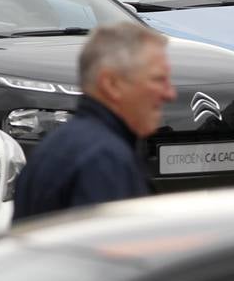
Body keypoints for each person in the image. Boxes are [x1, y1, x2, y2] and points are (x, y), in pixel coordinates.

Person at [12, 23, 176, 222]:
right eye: (158, 80)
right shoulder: (104, 160)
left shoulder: (57, 147)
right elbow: (112, 247)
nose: (170, 94)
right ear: (111, 84)